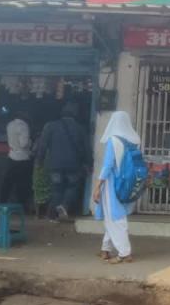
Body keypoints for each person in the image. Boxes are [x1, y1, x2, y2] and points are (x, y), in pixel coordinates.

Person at [93, 111, 139, 264]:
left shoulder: (113, 140)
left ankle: (124, 253)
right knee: (112, 217)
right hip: (127, 183)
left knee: (116, 218)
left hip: (113, 184)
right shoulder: (133, 140)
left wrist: (98, 186)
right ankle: (105, 249)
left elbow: (107, 165)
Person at [36, 103, 91, 222]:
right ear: (76, 115)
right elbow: (87, 149)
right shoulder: (80, 128)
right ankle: (64, 205)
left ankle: (52, 216)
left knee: (57, 189)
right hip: (74, 165)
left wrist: (39, 161)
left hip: (55, 164)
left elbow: (42, 145)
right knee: (73, 186)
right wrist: (88, 164)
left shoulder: (51, 126)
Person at [0, 112, 32, 211]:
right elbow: (24, 144)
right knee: (22, 183)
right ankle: (21, 206)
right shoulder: (23, 125)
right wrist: (30, 142)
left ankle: (2, 202)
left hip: (11, 155)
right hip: (22, 157)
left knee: (7, 182)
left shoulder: (10, 124)